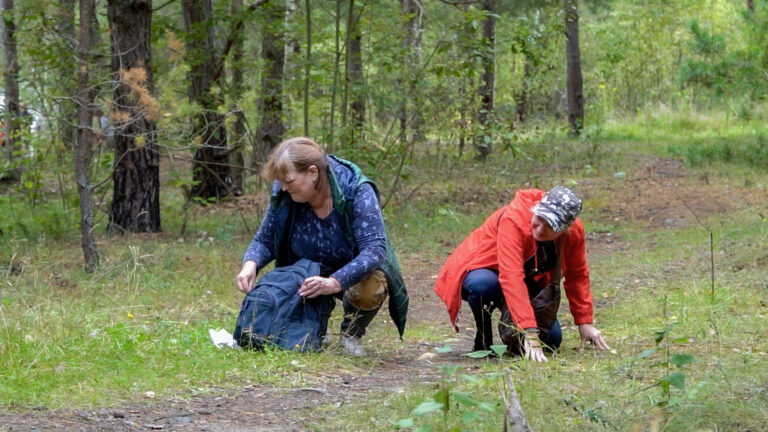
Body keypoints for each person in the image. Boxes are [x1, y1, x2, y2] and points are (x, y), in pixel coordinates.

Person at [235, 137, 408, 357]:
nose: (284, 187)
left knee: (372, 286)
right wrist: (250, 265)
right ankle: (313, 327)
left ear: (313, 172)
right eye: (281, 182)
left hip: (352, 271)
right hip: (305, 272)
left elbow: (374, 250)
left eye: (289, 180)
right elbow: (265, 239)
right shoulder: (284, 193)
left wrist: (334, 282)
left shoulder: (357, 189)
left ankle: (351, 334)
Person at [434, 186, 610, 362]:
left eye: (550, 226)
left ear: (565, 229)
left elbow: (577, 275)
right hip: (483, 269)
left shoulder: (574, 232)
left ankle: (512, 330)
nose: (540, 229)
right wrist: (530, 332)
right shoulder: (514, 220)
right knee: (484, 285)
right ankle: (483, 341)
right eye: (540, 218)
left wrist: (584, 322)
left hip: (528, 279)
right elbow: (511, 277)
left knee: (551, 341)